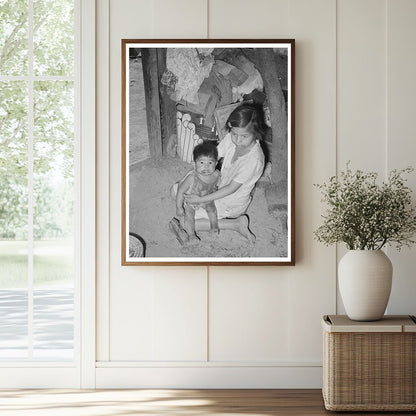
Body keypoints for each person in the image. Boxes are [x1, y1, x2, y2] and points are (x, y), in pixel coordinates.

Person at [170, 103, 265, 245]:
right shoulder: (232, 138)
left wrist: (200, 200)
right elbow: (215, 155)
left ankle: (236, 223)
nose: (238, 141)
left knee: (187, 220)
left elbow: (230, 189)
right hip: (216, 187)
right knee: (175, 190)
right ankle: (225, 219)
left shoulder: (254, 160)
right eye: (234, 134)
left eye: (244, 136)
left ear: (256, 133)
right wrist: (195, 175)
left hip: (231, 202)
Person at [172, 142, 221, 244]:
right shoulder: (192, 178)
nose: (206, 167)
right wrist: (179, 207)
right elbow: (181, 191)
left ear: (216, 163)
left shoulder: (216, 174)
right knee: (189, 215)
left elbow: (217, 184)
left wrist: (215, 189)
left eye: (210, 163)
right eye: (201, 163)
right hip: (191, 201)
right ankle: (191, 235)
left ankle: (214, 227)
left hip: (207, 198)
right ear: (194, 164)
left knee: (212, 211)